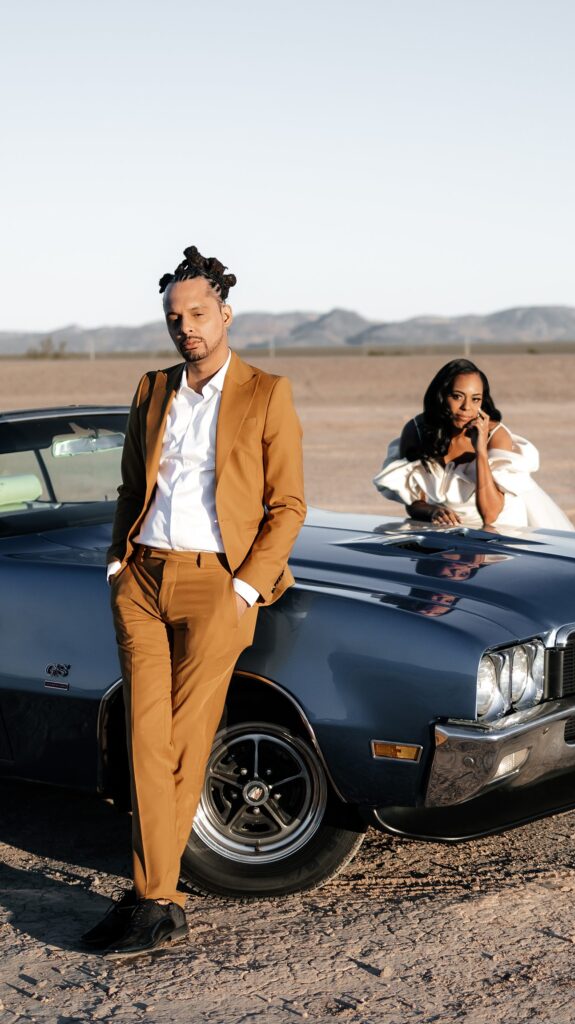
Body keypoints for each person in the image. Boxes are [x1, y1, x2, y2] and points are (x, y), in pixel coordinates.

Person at [81, 246, 306, 958]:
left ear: (225, 314)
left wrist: (244, 587)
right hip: (142, 580)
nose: (187, 328)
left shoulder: (267, 392)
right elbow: (127, 487)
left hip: (217, 585)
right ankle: (157, 899)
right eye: (175, 317)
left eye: (199, 313)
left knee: (181, 742)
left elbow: (288, 504)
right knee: (146, 741)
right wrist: (119, 562)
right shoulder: (152, 389)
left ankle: (154, 898)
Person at [373, 358, 573, 531]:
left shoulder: (496, 436)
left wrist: (481, 453)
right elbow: (414, 502)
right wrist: (433, 511)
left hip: (501, 530)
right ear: (441, 396)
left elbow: (490, 515)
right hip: (446, 532)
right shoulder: (416, 431)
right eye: (457, 396)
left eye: (475, 399)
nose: (466, 407)